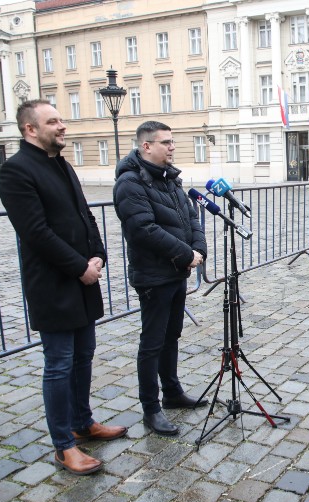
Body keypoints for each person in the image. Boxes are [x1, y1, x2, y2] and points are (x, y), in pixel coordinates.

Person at [0, 99, 127, 476]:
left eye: (61, 119)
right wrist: (78, 267)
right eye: (53, 121)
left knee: (84, 354)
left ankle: (82, 422)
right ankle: (63, 445)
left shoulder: (62, 164)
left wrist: (99, 254)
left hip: (84, 277)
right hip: (53, 283)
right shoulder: (16, 171)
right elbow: (35, 232)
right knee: (58, 364)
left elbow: (84, 214)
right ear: (30, 130)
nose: (63, 126)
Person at [113, 121, 208, 436]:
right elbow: (143, 230)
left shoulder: (169, 178)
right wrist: (184, 254)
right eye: (165, 142)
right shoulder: (130, 183)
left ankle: (172, 392)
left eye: (172, 141)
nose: (171, 147)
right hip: (154, 275)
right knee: (152, 343)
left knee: (172, 336)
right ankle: (151, 409)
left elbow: (191, 216)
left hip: (176, 272)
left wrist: (198, 249)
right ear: (146, 146)